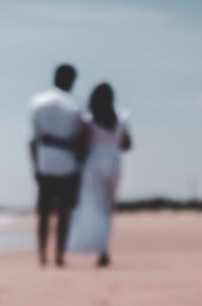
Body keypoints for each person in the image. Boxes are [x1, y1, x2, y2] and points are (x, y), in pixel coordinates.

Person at [66, 83, 132, 267]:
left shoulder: (88, 118)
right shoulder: (121, 117)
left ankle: (99, 247)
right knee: (107, 208)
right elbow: (127, 145)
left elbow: (82, 145)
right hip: (114, 161)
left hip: (94, 162)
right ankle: (103, 249)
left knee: (96, 207)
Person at [28, 64, 86, 267]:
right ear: (70, 80)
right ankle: (59, 254)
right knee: (63, 212)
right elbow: (81, 141)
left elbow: (32, 140)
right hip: (68, 164)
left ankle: (42, 254)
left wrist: (35, 166)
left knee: (44, 213)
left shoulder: (38, 102)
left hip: (44, 162)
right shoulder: (75, 105)